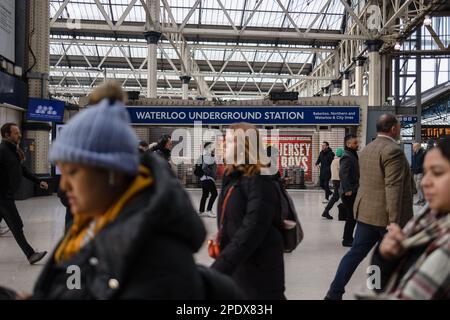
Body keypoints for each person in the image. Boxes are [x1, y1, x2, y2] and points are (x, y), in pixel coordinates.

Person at [30, 88, 209, 299]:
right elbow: (76, 284)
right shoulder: (87, 224)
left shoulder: (156, 259)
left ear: (112, 173)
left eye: (73, 172)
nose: (64, 186)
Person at [325, 114, 413, 300]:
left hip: (366, 213)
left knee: (354, 255)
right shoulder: (393, 151)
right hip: (386, 217)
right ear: (393, 129)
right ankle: (377, 293)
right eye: (398, 126)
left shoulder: (366, 150)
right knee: (383, 260)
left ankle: (334, 293)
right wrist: (394, 221)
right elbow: (393, 187)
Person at [369, 136, 450, 299]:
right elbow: (374, 286)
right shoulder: (424, 222)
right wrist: (383, 257)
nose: (425, 183)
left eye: (437, 172)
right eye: (427, 173)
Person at [211, 123, 285, 300]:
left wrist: (217, 270)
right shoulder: (234, 178)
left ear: (244, 145)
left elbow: (252, 230)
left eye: (228, 141)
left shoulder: (260, 180)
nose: (223, 145)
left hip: (258, 273)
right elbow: (238, 219)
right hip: (240, 267)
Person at [0, 123, 48, 264]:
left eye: (19, 132)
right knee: (16, 225)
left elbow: (23, 170)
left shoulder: (13, 150)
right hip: (3, 196)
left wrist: (38, 181)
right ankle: (30, 254)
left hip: (6, 195)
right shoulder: (2, 151)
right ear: (6, 135)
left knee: (15, 224)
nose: (19, 135)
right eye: (16, 133)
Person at [339, 135, 360, 246]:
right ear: (348, 144)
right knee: (351, 216)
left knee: (353, 216)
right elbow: (343, 173)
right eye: (355, 143)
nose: (357, 145)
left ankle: (348, 238)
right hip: (349, 192)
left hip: (353, 190)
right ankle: (347, 240)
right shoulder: (347, 156)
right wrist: (347, 189)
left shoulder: (352, 154)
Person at [322, 147, 344, 220]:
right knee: (337, 197)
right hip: (339, 180)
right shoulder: (340, 161)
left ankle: (326, 211)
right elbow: (342, 171)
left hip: (335, 180)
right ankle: (326, 211)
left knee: (336, 197)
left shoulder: (334, 160)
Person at [198, 142, 218, 218]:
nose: (214, 148)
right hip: (207, 178)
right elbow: (204, 167)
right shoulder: (208, 156)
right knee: (215, 194)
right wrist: (212, 174)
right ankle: (209, 210)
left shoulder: (209, 155)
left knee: (205, 195)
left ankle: (201, 211)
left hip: (205, 178)